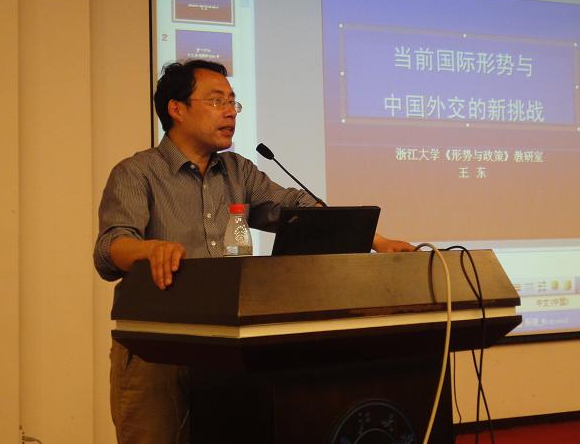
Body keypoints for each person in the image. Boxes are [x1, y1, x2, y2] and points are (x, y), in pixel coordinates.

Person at [94, 59, 414, 443]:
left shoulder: (238, 171)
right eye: (217, 101)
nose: (230, 111)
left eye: (233, 102)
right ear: (176, 109)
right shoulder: (137, 172)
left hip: (225, 348)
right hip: (156, 352)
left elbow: (295, 209)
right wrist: (149, 249)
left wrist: (377, 242)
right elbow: (110, 247)